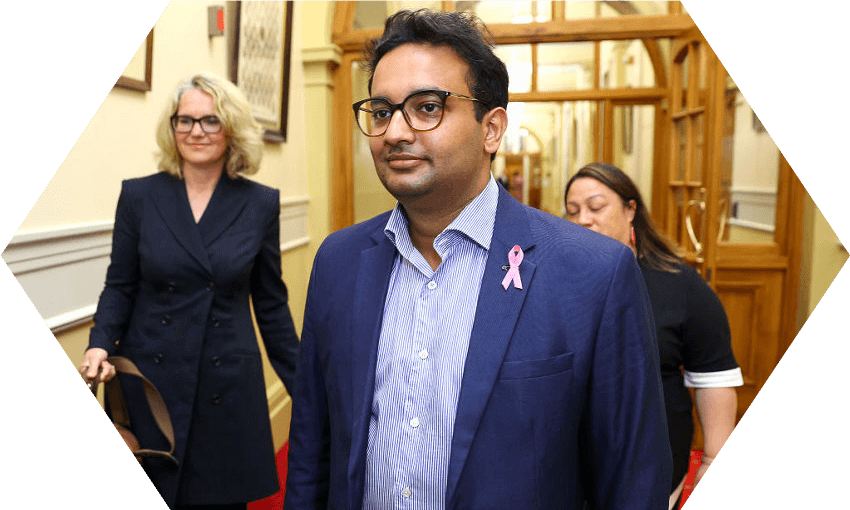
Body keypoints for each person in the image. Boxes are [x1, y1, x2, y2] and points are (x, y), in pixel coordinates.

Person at [285, 10, 671, 510]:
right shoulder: (338, 262)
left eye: (427, 108)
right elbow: (312, 450)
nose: (396, 131)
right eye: (381, 111)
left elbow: (632, 477)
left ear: (491, 129)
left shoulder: (593, 274)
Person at [79, 72, 299, 509]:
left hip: (226, 382)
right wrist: (99, 345)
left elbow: (271, 306)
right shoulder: (140, 197)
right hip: (150, 381)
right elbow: (119, 286)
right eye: (186, 120)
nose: (196, 131)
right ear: (172, 127)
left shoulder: (259, 203)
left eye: (210, 120)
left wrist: (305, 385)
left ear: (231, 127)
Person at [564, 162, 743, 509]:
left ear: (631, 210)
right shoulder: (559, 281)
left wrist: (712, 460)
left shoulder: (679, 284)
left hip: (654, 455)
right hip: (573, 460)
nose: (583, 219)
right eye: (572, 212)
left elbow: (713, 376)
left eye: (596, 207)